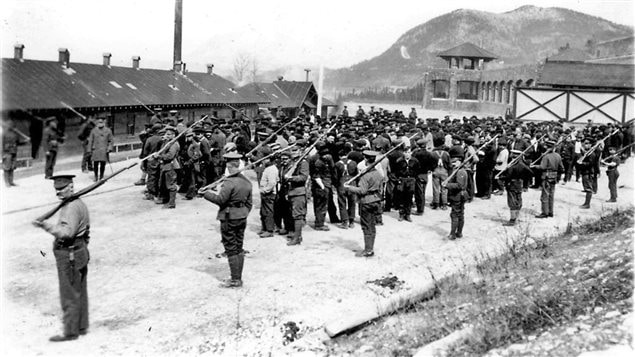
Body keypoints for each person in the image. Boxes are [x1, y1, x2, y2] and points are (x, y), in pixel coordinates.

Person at [32, 174, 90, 341]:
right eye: (56, 190)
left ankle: (71, 332)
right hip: (79, 251)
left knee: (69, 292)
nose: (58, 193)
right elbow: (86, 230)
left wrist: (45, 225)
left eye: (62, 189)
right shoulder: (77, 203)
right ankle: (81, 326)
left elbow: (67, 233)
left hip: (69, 254)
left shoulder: (71, 207)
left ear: (71, 186)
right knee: (79, 290)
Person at [202, 152, 252, 288]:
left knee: (231, 248)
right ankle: (238, 277)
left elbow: (220, 200)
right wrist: (243, 212)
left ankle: (235, 279)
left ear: (229, 165)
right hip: (241, 216)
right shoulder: (246, 181)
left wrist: (205, 194)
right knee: (239, 247)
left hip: (229, 218)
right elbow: (249, 203)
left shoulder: (229, 182)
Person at [344, 150, 383, 257]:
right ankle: (370, 247)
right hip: (376, 200)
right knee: (372, 225)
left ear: (366, 159)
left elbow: (362, 191)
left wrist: (349, 187)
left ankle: (368, 250)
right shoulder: (378, 173)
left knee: (366, 226)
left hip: (366, 201)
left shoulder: (365, 175)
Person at [282, 147, 310, 246]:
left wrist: (290, 178)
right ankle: (295, 234)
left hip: (298, 192)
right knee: (292, 215)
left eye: (295, 150)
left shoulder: (303, 163)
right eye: (292, 151)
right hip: (291, 192)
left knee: (297, 216)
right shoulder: (293, 162)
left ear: (300, 151)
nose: (293, 153)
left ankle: (297, 238)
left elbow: (303, 177)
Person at [531, 140, 564, 218]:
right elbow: (561, 168)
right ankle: (550, 212)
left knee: (545, 195)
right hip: (554, 176)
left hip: (546, 177)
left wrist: (535, 166)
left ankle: (544, 213)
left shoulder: (546, 156)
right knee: (551, 195)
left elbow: (542, 167)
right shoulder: (558, 156)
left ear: (547, 147)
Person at [501, 150, 533, 226]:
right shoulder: (523, 164)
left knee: (512, 201)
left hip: (512, 184)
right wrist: (523, 178)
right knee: (518, 200)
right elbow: (531, 173)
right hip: (519, 184)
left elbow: (508, 176)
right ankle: (516, 217)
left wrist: (501, 177)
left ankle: (512, 220)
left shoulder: (512, 165)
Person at [443, 148, 468, 240]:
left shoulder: (460, 172)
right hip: (459, 195)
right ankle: (459, 233)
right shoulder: (458, 170)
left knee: (455, 215)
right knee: (460, 214)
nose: (453, 163)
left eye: (455, 162)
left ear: (459, 161)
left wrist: (447, 185)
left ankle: (453, 234)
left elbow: (459, 185)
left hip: (458, 196)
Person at [156, 126, 180, 208]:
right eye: (166, 134)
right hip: (165, 166)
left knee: (171, 185)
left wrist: (159, 156)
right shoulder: (167, 143)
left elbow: (170, 156)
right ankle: (165, 199)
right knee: (163, 184)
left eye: (169, 134)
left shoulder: (174, 144)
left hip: (171, 166)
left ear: (174, 135)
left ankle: (172, 203)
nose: (167, 136)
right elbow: (162, 149)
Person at [2, 119, 29, 187]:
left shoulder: (15, 134)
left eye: (12, 125)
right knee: (6, 168)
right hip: (7, 153)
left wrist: (25, 141)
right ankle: (7, 183)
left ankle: (11, 182)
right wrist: (2, 154)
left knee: (12, 167)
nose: (11, 126)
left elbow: (18, 143)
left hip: (14, 152)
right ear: (7, 125)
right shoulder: (3, 133)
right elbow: (1, 144)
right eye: (10, 124)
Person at [258, 147, 278, 238]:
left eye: (265, 159)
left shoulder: (272, 169)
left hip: (269, 194)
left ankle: (269, 230)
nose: (263, 161)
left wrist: (265, 190)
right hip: (265, 193)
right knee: (263, 212)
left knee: (268, 212)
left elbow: (272, 183)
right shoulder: (268, 168)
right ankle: (264, 228)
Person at [87, 117, 114, 181]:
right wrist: (89, 150)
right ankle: (96, 177)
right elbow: (90, 140)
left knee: (103, 164)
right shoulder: (93, 131)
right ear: (97, 123)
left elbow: (111, 140)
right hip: (95, 149)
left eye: (101, 122)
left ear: (104, 123)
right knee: (95, 164)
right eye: (99, 122)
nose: (100, 124)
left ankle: (101, 176)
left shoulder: (108, 130)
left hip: (104, 150)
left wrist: (109, 148)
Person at [577, 138, 598, 209]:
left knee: (588, 188)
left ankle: (587, 204)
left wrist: (582, 163)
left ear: (590, 144)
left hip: (588, 173)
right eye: (585, 143)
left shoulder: (592, 154)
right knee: (586, 188)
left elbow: (590, 163)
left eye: (587, 143)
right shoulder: (588, 152)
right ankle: (586, 203)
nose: (585, 145)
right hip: (585, 172)